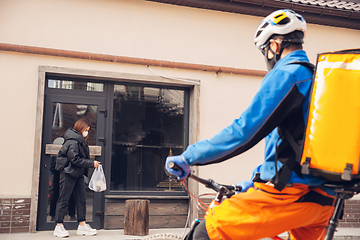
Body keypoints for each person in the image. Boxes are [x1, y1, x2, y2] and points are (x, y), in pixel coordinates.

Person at [165, 9, 335, 240]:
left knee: (208, 231)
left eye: (265, 51)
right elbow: (293, 147)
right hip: (322, 200)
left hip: (289, 193)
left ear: (275, 46)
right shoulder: (319, 80)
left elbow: (243, 132)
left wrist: (188, 157)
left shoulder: (288, 74)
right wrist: (252, 181)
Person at [53, 118, 101, 238]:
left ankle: (82, 225)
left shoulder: (80, 141)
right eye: (85, 130)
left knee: (81, 200)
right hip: (69, 173)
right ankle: (58, 226)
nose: (87, 132)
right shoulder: (73, 142)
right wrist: (91, 163)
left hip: (77, 174)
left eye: (88, 130)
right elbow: (75, 160)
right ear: (80, 129)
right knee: (64, 199)